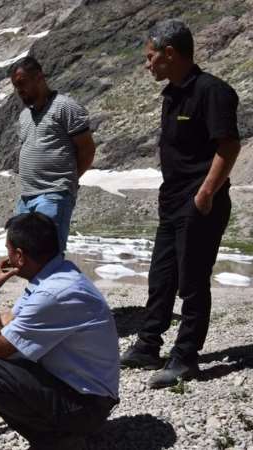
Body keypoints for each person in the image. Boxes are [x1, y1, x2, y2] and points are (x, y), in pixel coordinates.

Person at [120, 19, 241, 389]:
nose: (147, 64)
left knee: (191, 282)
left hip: (199, 203)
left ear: (169, 53)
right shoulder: (172, 93)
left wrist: (205, 193)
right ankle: (148, 344)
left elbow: (229, 145)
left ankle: (186, 358)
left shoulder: (212, 91)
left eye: (150, 56)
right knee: (161, 279)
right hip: (171, 201)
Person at [0, 213, 119, 450]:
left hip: (88, 407)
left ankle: (57, 441)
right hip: (87, 394)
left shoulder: (53, 294)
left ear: (18, 256)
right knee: (13, 355)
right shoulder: (57, 273)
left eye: (8, 249)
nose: (6, 255)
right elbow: (10, 321)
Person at [7, 56, 97, 252]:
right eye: (15, 86)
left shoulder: (65, 107)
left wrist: (66, 182)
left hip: (54, 195)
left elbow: (87, 150)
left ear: (39, 77)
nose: (19, 90)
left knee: (47, 253)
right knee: (23, 252)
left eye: (22, 83)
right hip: (26, 196)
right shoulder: (24, 116)